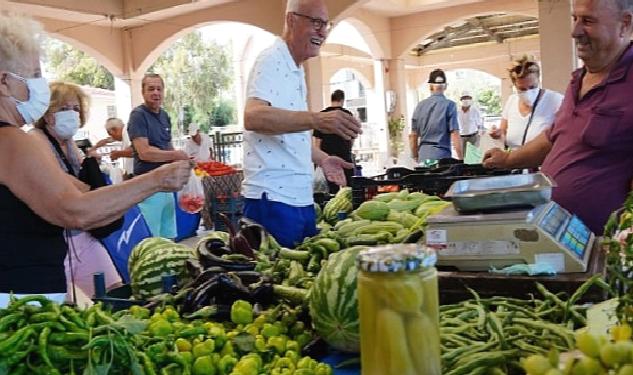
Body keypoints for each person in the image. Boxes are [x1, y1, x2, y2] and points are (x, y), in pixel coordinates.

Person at [0, 12, 191, 307]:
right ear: (4, 83)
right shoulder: (13, 141)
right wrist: (157, 180)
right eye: (35, 74)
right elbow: (75, 211)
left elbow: (80, 194)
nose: (42, 84)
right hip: (23, 305)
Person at [483, 0, 633, 235]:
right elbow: (553, 137)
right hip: (556, 233)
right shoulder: (578, 80)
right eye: (575, 19)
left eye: (588, 21)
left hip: (601, 244)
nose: (575, 32)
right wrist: (507, 160)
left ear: (625, 24)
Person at [242, 0, 362, 247]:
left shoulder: (295, 69)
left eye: (325, 25)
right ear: (291, 20)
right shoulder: (271, 60)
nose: (322, 31)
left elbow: (287, 132)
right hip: (273, 199)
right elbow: (253, 117)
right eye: (315, 22)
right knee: (278, 279)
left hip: (297, 199)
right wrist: (318, 119)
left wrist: (321, 158)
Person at [29, 82, 122, 300]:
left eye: (75, 108)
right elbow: (63, 182)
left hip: (81, 237)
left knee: (114, 292)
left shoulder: (70, 146)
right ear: (47, 113)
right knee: (74, 309)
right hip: (52, 243)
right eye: (62, 109)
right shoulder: (35, 139)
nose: (71, 114)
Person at [128, 73, 190, 239]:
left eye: (159, 89)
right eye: (151, 89)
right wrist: (175, 154)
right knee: (151, 239)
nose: (156, 92)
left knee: (169, 236)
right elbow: (144, 152)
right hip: (148, 185)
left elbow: (168, 145)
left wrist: (182, 162)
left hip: (167, 185)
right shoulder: (138, 116)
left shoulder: (164, 116)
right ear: (143, 92)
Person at [489, 56, 564, 150]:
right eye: (522, 89)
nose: (528, 92)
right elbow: (503, 133)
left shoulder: (556, 101)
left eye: (532, 87)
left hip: (543, 162)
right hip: (514, 161)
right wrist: (498, 135)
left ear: (539, 80)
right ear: (514, 85)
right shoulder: (512, 101)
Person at [409, 68, 462, 163]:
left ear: (430, 86)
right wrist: (461, 159)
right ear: (445, 86)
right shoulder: (450, 105)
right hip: (442, 158)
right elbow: (455, 134)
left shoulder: (420, 106)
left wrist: (415, 156)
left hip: (423, 157)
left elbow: (413, 136)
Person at [313, 89, 355, 194]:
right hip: (344, 155)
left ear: (331, 99)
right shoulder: (347, 115)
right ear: (342, 100)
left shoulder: (322, 116)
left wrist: (318, 160)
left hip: (326, 156)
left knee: (330, 190)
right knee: (349, 189)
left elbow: (318, 141)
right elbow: (352, 136)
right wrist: (349, 148)